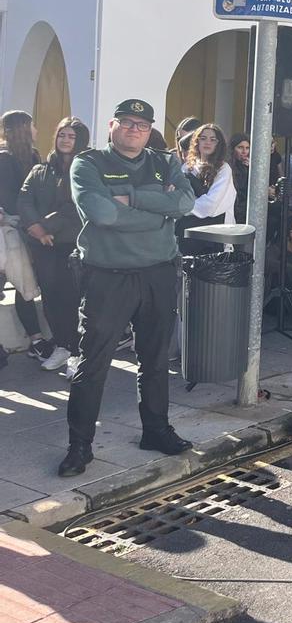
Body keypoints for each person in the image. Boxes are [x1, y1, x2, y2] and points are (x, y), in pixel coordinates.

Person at [59, 99, 197, 477]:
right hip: (108, 277)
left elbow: (185, 201)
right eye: (127, 123)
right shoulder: (89, 163)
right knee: (93, 364)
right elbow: (101, 213)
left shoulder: (164, 161)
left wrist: (132, 199)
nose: (135, 129)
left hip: (157, 273)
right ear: (111, 125)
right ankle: (80, 445)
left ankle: (156, 430)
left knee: (154, 361)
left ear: (150, 129)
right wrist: (158, 213)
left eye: (142, 124)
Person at [18, 117, 89, 374]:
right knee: (50, 296)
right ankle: (61, 345)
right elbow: (24, 199)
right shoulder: (41, 169)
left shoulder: (85, 169)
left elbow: (76, 206)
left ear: (79, 140)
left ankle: (76, 352)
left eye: (71, 136)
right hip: (43, 245)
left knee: (72, 299)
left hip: (71, 244)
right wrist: (36, 229)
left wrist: (46, 227)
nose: (65, 140)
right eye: (62, 135)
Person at [0, 110, 44, 349]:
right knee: (18, 283)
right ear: (23, 128)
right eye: (32, 124)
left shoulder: (33, 156)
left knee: (25, 285)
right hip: (10, 230)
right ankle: (36, 340)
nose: (36, 129)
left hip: (27, 228)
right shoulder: (4, 158)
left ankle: (36, 338)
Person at [178, 124, 235, 254]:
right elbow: (177, 196)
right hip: (188, 233)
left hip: (213, 234)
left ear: (218, 144)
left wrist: (183, 207)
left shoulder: (223, 169)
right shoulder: (187, 168)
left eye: (212, 139)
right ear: (196, 141)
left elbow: (211, 205)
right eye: (203, 138)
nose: (207, 142)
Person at [229, 134, 250, 224]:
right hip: (235, 209)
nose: (244, 151)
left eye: (247, 148)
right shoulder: (228, 167)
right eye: (240, 147)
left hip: (245, 209)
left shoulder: (247, 165)